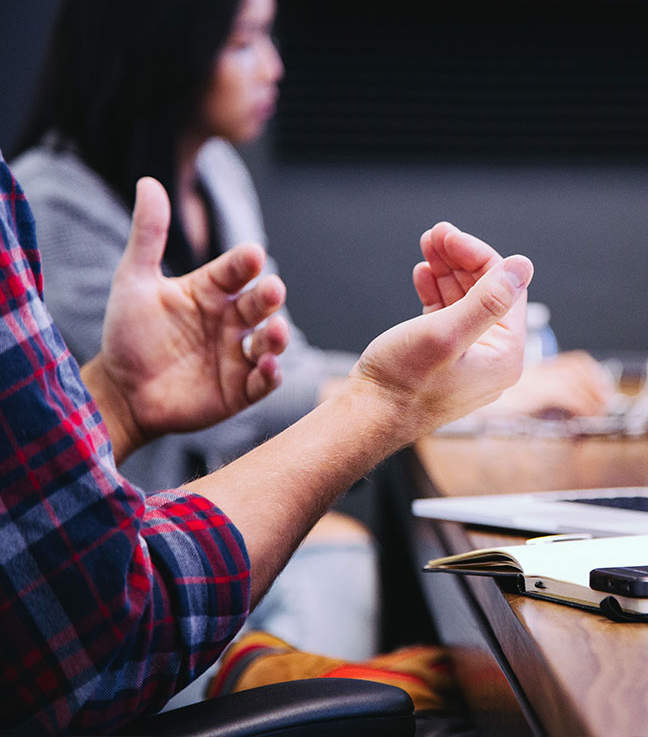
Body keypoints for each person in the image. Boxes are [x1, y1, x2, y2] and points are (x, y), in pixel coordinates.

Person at [0, 156, 534, 733]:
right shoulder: (53, 195)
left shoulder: (218, 172)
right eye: (243, 54)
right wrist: (386, 402)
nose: (273, 65)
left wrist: (118, 402)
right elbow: (97, 625)